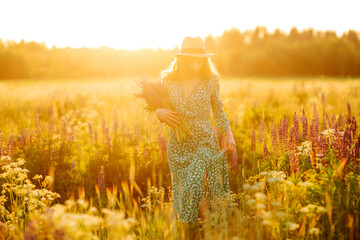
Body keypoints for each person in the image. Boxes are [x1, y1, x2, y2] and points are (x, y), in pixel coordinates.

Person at [155, 36, 236, 225]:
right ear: (182, 59)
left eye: (200, 59)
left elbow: (218, 110)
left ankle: (210, 229)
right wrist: (158, 112)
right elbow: (156, 104)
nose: (196, 64)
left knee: (193, 185)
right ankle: (197, 231)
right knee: (188, 194)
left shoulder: (210, 80)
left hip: (204, 143)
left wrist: (228, 133)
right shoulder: (168, 81)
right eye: (191, 59)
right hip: (178, 146)